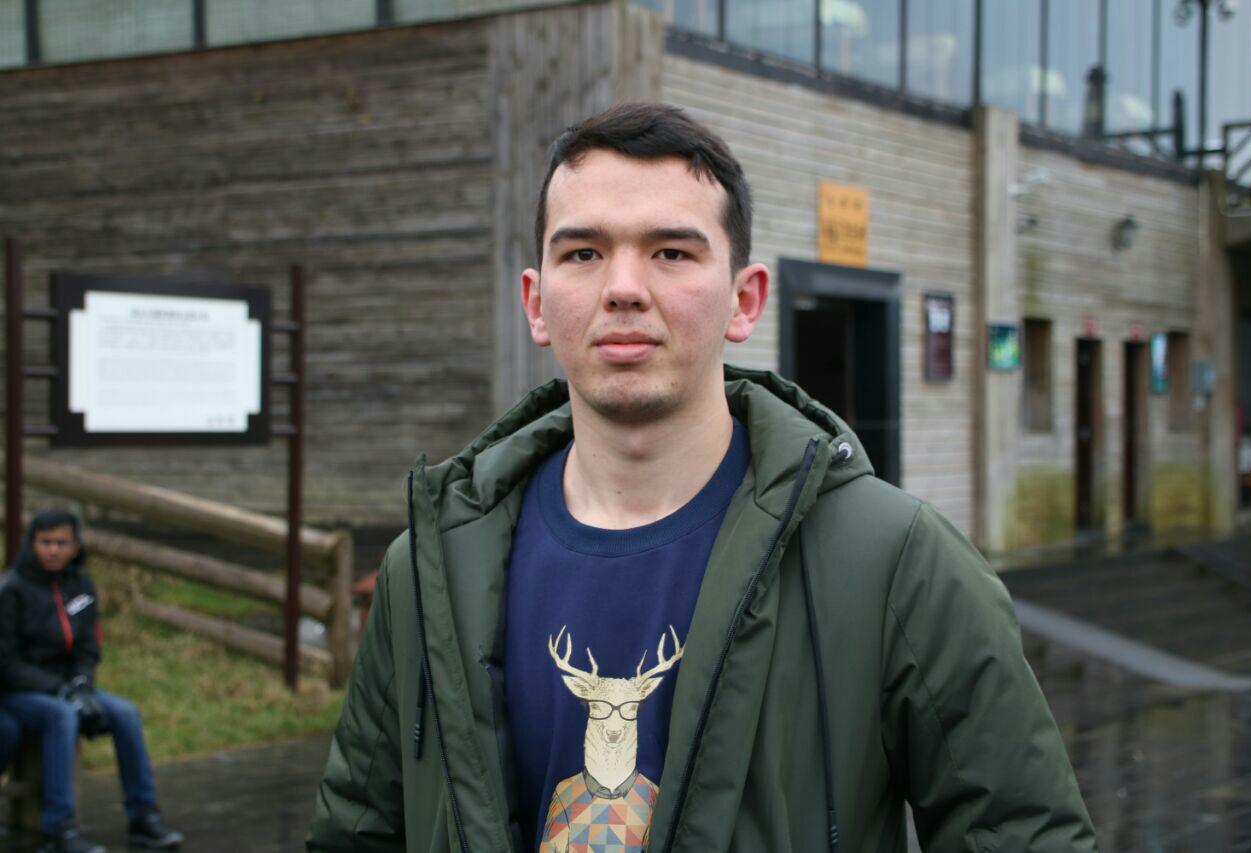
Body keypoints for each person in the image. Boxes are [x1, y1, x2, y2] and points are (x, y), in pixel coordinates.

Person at [309, 103, 1096, 851]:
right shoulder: (431, 574)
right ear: (536, 301)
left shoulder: (897, 565)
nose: (623, 287)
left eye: (671, 252)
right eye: (583, 253)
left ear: (744, 300)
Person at [0, 510, 184, 853]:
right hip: (20, 693)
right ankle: (59, 829)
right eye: (45, 542)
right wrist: (61, 691)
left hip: (70, 685)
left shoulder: (81, 586)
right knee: (61, 716)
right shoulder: (11, 589)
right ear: (31, 544)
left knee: (125, 713)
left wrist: (82, 685)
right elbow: (6, 663)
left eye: (61, 543)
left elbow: (88, 647)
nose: (53, 550)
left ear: (75, 547)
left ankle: (144, 817)